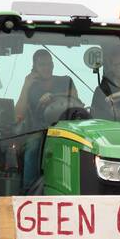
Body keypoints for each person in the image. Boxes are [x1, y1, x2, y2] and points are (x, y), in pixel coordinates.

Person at [15, 49, 78, 189]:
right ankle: (28, 191)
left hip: (67, 129)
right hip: (40, 132)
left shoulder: (65, 80)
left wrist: (53, 95)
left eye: (49, 64)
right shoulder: (31, 87)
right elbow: (18, 114)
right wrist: (26, 85)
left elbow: (75, 97)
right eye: (42, 64)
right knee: (32, 150)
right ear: (34, 67)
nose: (47, 68)